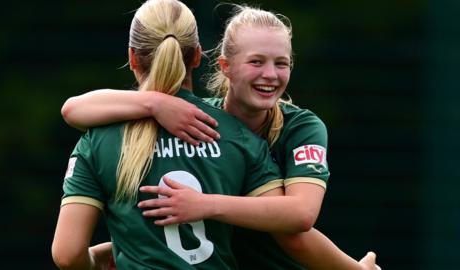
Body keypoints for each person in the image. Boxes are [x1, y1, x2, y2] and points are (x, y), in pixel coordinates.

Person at [60, 3, 381, 270]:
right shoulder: (219, 129)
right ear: (215, 62)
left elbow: (298, 219)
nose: (270, 74)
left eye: (281, 63)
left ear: (132, 58)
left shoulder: (300, 128)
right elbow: (72, 109)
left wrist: (203, 205)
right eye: (256, 62)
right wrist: (155, 103)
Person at [51, 0, 291, 269]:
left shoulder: (97, 140)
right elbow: (286, 220)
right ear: (198, 56)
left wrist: (97, 259)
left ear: (132, 57)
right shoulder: (237, 134)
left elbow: (68, 254)